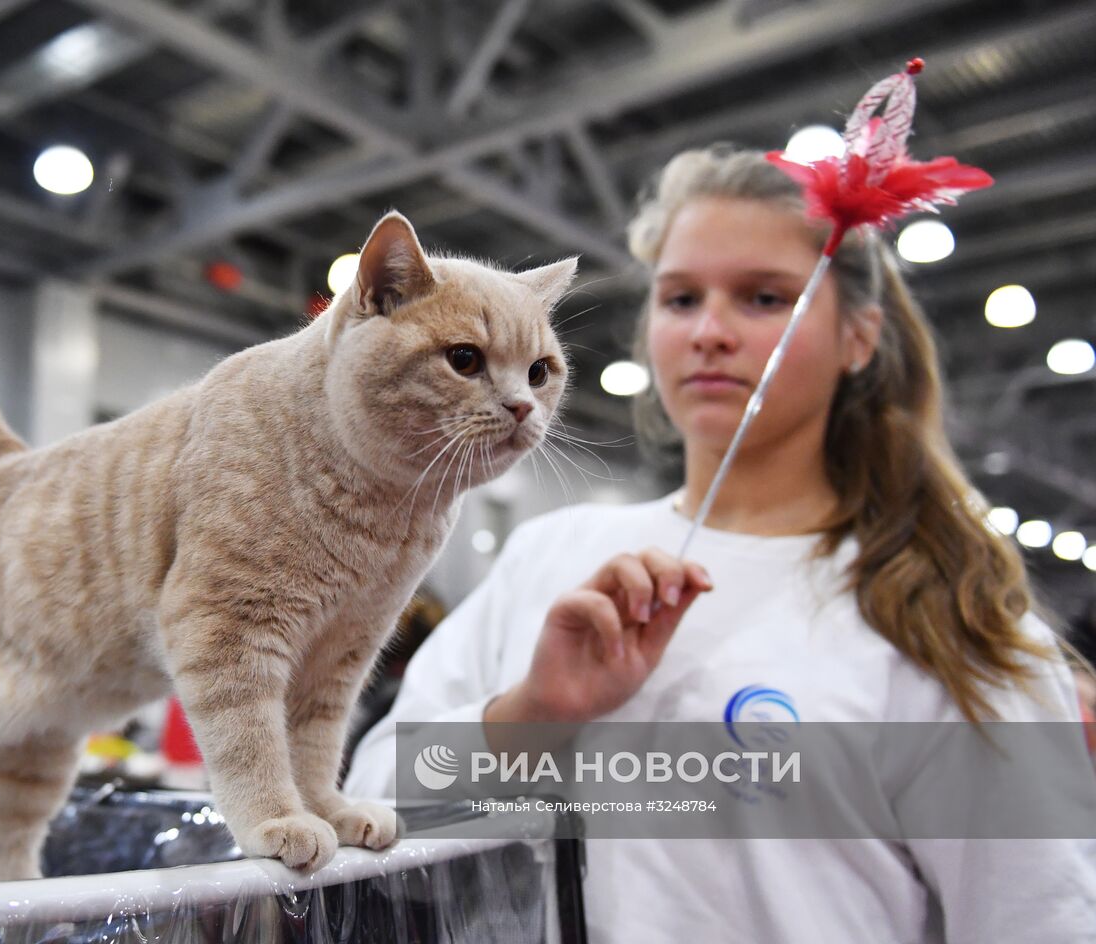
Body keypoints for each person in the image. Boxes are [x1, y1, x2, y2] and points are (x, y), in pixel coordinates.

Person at [343, 146, 1096, 942]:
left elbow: (1039, 919)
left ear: (859, 339)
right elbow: (373, 800)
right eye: (679, 299)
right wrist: (533, 714)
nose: (708, 331)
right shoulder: (549, 555)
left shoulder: (941, 616)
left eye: (764, 298)